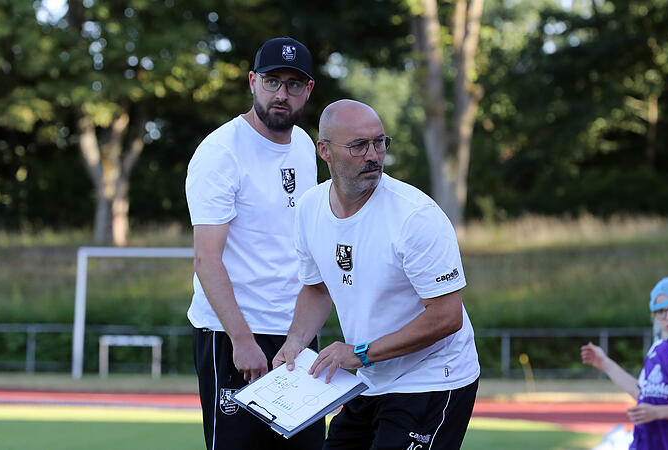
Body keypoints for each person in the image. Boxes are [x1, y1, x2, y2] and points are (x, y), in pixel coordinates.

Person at [273, 99, 480, 450]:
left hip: (432, 379)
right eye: (358, 145)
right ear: (325, 150)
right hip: (371, 377)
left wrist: (360, 353)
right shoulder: (309, 207)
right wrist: (294, 343)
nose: (373, 154)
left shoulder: (415, 216)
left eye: (380, 142)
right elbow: (316, 288)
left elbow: (447, 317)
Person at [184, 36, 324, 450]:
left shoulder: (303, 145)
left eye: (294, 84)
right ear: (252, 81)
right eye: (272, 81)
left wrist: (299, 336)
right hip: (233, 335)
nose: (282, 94)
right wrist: (242, 342)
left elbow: (305, 247)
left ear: (308, 90)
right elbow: (206, 259)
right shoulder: (220, 152)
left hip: (295, 336)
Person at [581, 275, 668, 450]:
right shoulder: (656, 348)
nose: (667, 316)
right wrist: (605, 363)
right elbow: (642, 393)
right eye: (660, 311)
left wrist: (656, 412)